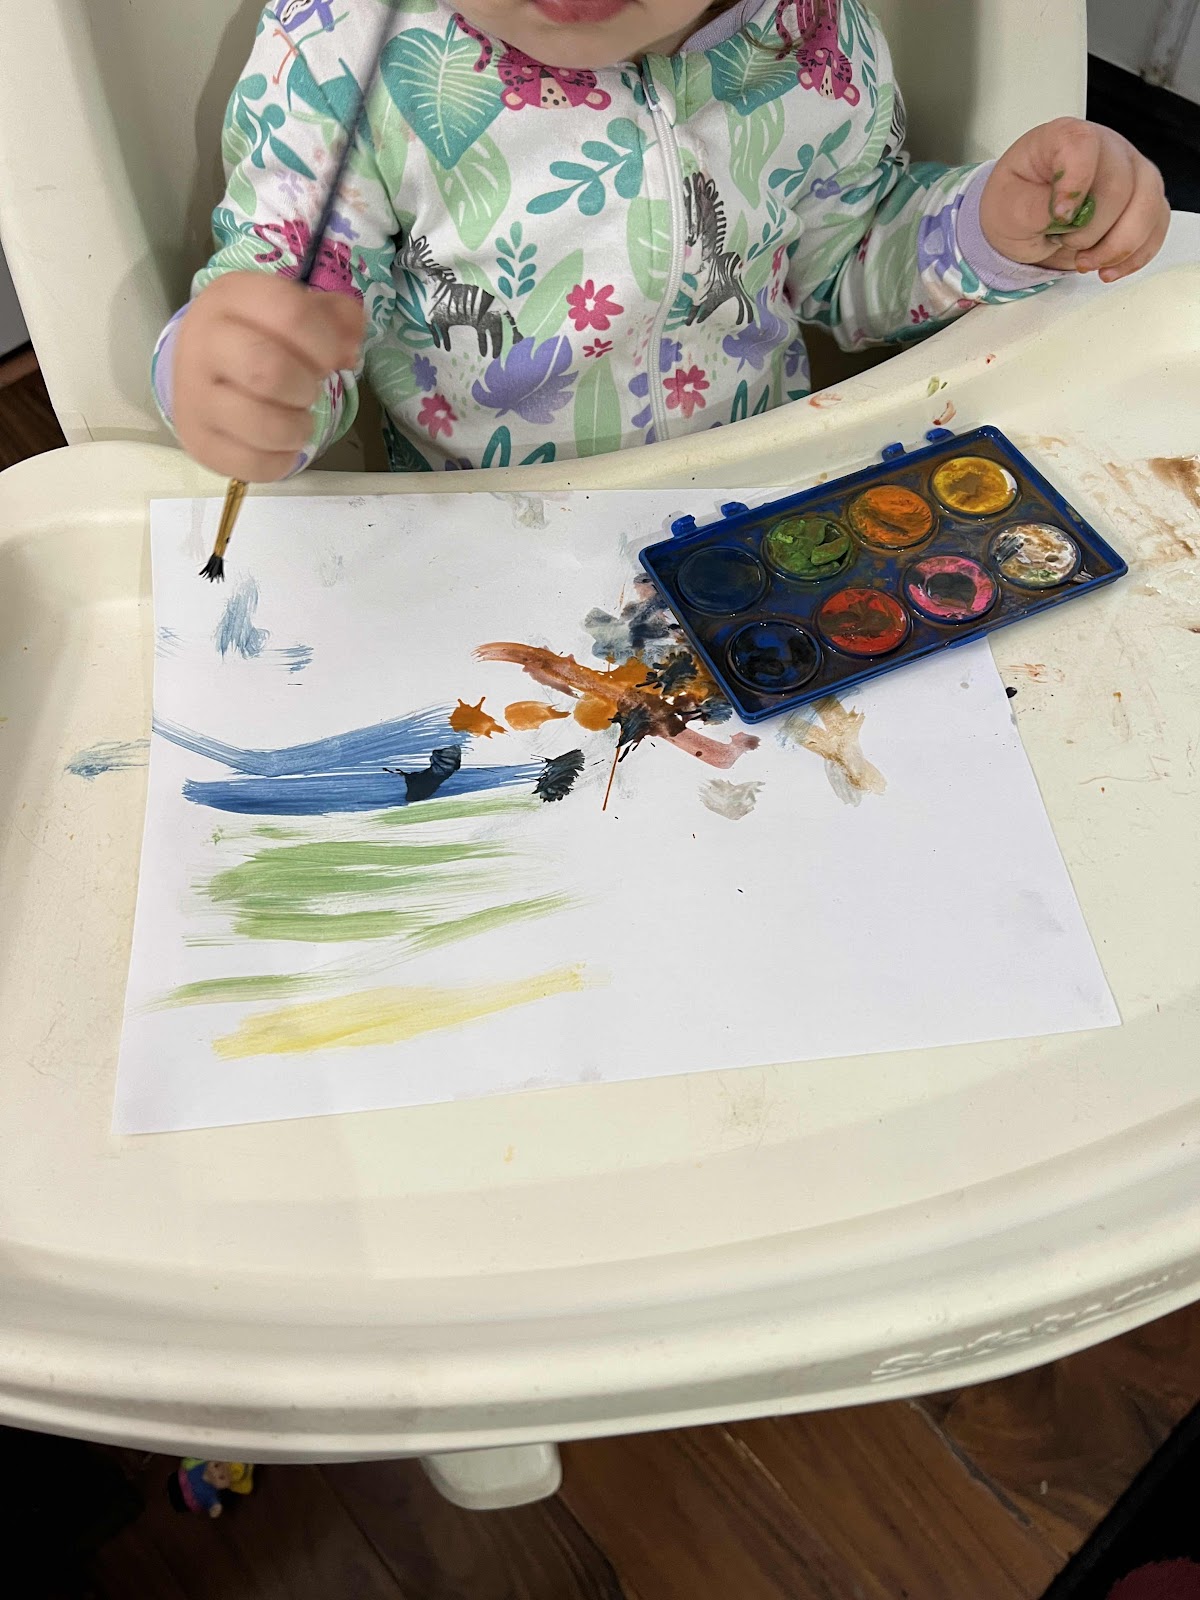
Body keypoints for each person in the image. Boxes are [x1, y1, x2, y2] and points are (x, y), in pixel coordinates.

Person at [157, 0, 1170, 479]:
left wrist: (991, 228)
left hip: (758, 501)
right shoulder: (338, 52)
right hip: (480, 538)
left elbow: (848, 261)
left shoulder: (813, 40)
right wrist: (236, 378)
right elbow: (290, 300)